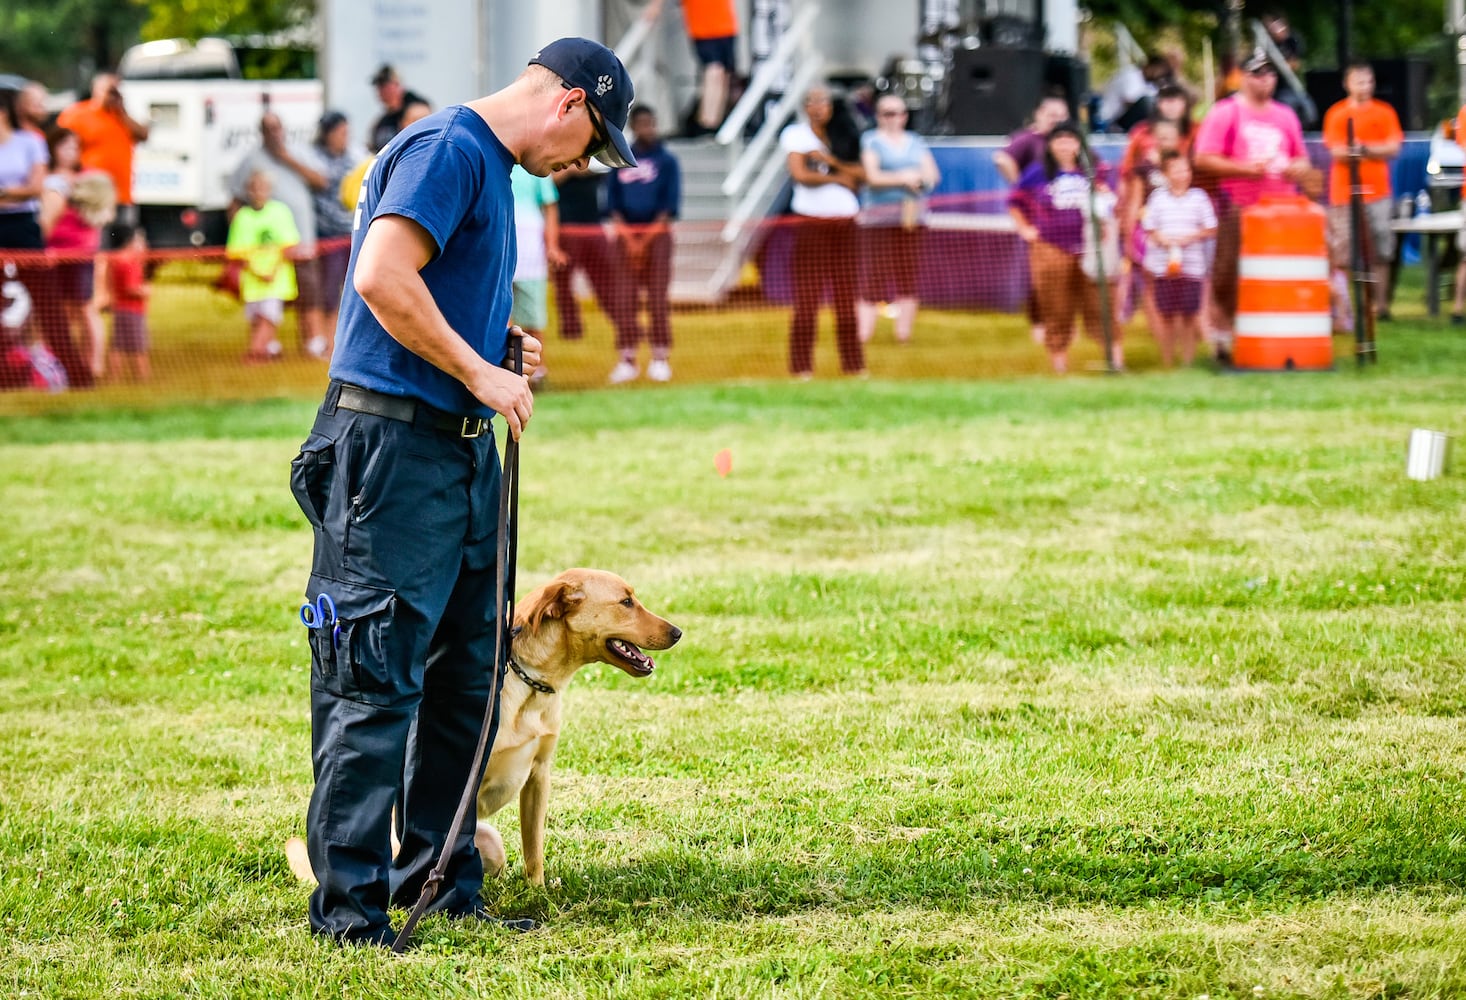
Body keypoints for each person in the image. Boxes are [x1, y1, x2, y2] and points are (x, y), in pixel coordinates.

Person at [292, 35, 633, 948]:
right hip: (392, 450)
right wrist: (478, 375)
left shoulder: (491, 166)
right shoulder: (447, 148)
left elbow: (436, 293)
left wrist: (500, 347)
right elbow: (380, 276)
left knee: (466, 675)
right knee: (374, 681)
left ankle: (441, 887)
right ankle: (351, 916)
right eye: (593, 142)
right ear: (568, 101)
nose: (581, 165)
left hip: (454, 452)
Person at [1193, 49, 1310, 363]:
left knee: (1280, 273)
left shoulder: (1285, 115)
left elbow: (1301, 157)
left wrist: (1298, 167)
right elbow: (1203, 158)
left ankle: (1276, 336)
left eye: (1270, 74)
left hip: (1282, 207)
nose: (1264, 80)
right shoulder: (1225, 112)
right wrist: (1245, 168)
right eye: (1257, 74)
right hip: (1239, 204)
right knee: (1229, 272)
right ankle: (1223, 337)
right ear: (1244, 77)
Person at [1007, 120, 1121, 373]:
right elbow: (1015, 201)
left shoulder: (1095, 171)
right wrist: (1025, 228)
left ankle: (1115, 361)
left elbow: (1112, 203)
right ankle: (1060, 366)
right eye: (1059, 140)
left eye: (1071, 139)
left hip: (1092, 248)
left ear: (1080, 144)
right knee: (1056, 306)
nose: (1065, 145)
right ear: (1050, 145)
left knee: (1101, 304)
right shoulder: (1037, 173)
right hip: (1052, 247)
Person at [780, 86, 865, 379]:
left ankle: (854, 365)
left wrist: (832, 166)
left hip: (845, 221)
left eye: (823, 102)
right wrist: (842, 178)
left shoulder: (844, 135)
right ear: (805, 106)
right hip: (811, 222)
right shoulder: (796, 135)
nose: (819, 107)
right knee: (808, 297)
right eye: (812, 102)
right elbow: (801, 174)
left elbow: (861, 176)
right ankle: (801, 365)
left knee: (846, 296)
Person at [229, 113, 329, 357]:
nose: (274, 133)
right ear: (261, 131)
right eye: (268, 128)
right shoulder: (251, 160)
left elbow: (321, 181)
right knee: (269, 301)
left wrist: (286, 158)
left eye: (277, 127)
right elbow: (235, 199)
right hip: (268, 252)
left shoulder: (298, 151)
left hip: (302, 242)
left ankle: (312, 344)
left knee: (309, 295)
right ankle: (267, 347)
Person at [1320, 61, 1401, 327]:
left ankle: (1381, 307)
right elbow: (1338, 152)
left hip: (1377, 192)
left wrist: (1363, 149)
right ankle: (1346, 308)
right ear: (1347, 83)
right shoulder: (1337, 114)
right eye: (1359, 81)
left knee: (1380, 250)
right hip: (1343, 193)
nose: (1365, 86)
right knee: (1342, 253)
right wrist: (1367, 150)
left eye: (1369, 81)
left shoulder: (1384, 112)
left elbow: (1392, 147)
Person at [856, 93, 939, 345]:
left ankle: (904, 335)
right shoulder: (870, 140)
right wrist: (903, 177)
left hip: (911, 218)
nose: (893, 118)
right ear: (878, 116)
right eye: (887, 113)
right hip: (878, 220)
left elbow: (932, 175)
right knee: (873, 276)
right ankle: (863, 334)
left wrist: (919, 180)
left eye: (898, 113)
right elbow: (872, 176)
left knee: (908, 275)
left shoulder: (915, 142)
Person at [606, 105, 681, 383]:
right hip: (626, 237)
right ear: (634, 126)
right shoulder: (621, 158)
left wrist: (645, 241)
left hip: (658, 237)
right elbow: (612, 206)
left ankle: (660, 357)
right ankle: (627, 358)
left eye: (651, 123)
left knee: (658, 299)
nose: (647, 128)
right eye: (642, 124)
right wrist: (628, 238)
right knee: (625, 299)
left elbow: (669, 208)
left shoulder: (667, 161)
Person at [40, 127, 115, 384]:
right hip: (48, 255)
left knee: (85, 308)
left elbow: (105, 213)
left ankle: (94, 366)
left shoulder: (90, 180)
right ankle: (54, 363)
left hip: (80, 255)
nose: (71, 152)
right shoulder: (45, 178)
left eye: (75, 147)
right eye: (65, 146)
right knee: (55, 312)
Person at [994, 92, 1070, 347]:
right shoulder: (1029, 140)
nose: (1055, 120)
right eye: (1051, 115)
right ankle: (1040, 323)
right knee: (1040, 276)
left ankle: (1064, 325)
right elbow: (1001, 158)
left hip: (1069, 223)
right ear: (1038, 115)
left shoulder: (1070, 143)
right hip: (1038, 221)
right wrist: (1017, 183)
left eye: (1061, 115)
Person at [1142, 151, 1217, 367]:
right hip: (1163, 266)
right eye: (1176, 170)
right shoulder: (1157, 198)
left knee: (1189, 314)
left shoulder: (1199, 197)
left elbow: (1211, 228)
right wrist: (1163, 240)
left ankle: (1188, 360)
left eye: (1186, 170)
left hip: (1192, 265)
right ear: (1166, 174)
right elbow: (1150, 228)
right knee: (1166, 315)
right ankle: (1167, 360)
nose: (1182, 174)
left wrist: (1189, 238)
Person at [56, 72, 149, 245]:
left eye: (117, 90)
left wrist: (121, 111)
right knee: (98, 247)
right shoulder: (78, 114)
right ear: (96, 89)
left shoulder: (121, 117)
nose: (114, 94)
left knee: (123, 247)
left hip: (122, 194)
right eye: (110, 89)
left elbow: (143, 135)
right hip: (94, 194)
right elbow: (60, 145)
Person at [551, 162, 633, 342]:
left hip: (594, 227)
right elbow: (547, 183)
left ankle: (623, 322)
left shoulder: (599, 160)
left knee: (606, 280)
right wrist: (571, 171)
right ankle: (571, 329)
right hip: (566, 229)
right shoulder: (559, 159)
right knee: (564, 283)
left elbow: (609, 173)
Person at [308, 111, 366, 359]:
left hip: (351, 233)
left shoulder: (356, 155)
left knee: (354, 290)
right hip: (328, 237)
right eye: (341, 132)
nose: (345, 137)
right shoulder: (315, 158)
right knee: (329, 293)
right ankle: (327, 344)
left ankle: (344, 343)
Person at [227, 169, 299, 364]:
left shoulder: (280, 212)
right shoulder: (243, 217)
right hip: (252, 280)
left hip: (276, 280)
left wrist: (271, 271)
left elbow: (289, 244)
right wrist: (257, 272)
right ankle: (267, 350)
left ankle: (254, 354)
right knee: (256, 319)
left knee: (268, 318)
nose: (258, 192)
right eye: (255, 188)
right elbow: (236, 251)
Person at [644, 0, 738, 134]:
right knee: (714, 71)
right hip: (704, 26)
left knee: (724, 74)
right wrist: (655, 7)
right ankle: (707, 122)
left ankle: (716, 122)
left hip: (726, 24)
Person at [509, 163, 563, 388]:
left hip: (531, 252)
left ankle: (537, 371)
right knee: (502, 316)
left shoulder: (537, 164)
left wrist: (552, 245)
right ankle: (510, 369)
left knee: (534, 317)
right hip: (498, 250)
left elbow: (550, 206)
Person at [0, 87, 45, 250]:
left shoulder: (30, 141)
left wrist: (4, 192)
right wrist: (17, 192)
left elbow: (36, 188)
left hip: (22, 223)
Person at [105, 224, 151, 382]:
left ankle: (113, 377)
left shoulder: (117, 259)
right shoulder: (128, 262)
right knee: (138, 347)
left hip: (121, 308)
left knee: (117, 345)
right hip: (132, 310)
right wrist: (145, 291)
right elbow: (131, 288)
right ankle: (142, 376)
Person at [367, 65, 432, 153]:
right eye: (379, 87)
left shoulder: (417, 108)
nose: (381, 91)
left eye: (385, 86)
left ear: (397, 85)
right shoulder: (381, 122)